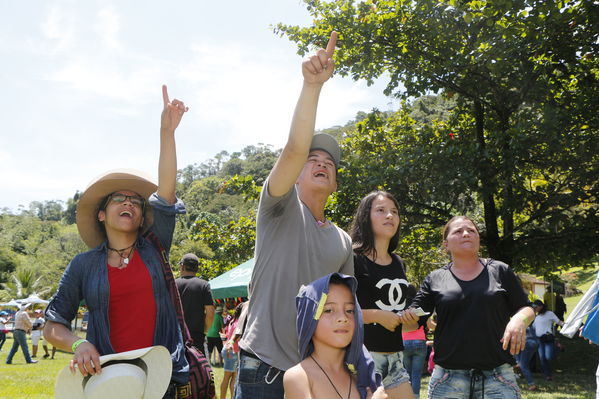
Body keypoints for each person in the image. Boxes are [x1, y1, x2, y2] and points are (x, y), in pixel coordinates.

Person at [44, 85, 191, 398]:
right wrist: (79, 344)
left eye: (136, 202)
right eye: (119, 199)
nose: (130, 204)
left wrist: (167, 132)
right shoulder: (82, 265)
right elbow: (53, 325)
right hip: (110, 383)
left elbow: (165, 192)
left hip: (163, 378)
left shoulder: (154, 247)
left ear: (141, 216)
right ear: (101, 214)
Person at [236, 31, 353, 398]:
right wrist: (312, 87)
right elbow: (293, 149)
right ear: (295, 174)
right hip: (265, 367)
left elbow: (345, 311)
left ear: (334, 183)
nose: (321, 164)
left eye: (329, 163)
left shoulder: (343, 240)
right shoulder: (279, 207)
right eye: (312, 161)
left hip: (315, 372)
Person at [406, 216, 536, 399]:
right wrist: (399, 318)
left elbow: (527, 308)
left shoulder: (500, 270)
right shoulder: (434, 278)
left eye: (471, 230)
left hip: (498, 377)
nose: (466, 234)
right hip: (448, 379)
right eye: (458, 231)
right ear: (446, 244)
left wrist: (518, 320)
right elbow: (413, 322)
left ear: (478, 239)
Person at [350, 190, 416, 399]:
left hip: (396, 358)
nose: (390, 216)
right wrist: (377, 316)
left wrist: (409, 319)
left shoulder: (399, 262)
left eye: (394, 212)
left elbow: (401, 317)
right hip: (362, 359)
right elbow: (336, 310)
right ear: (365, 217)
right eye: (381, 210)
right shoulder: (351, 258)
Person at [284, 273, 386, 399]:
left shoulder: (361, 379)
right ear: (309, 319)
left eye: (350, 310)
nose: (343, 318)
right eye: (328, 310)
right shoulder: (299, 377)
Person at [175, 253, 215, 354]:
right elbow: (210, 313)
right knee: (197, 367)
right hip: (196, 337)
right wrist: (204, 330)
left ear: (182, 266)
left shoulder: (173, 284)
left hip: (176, 336)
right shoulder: (204, 285)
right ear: (197, 268)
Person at [401, 285, 428, 399]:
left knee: (407, 373)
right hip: (419, 341)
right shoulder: (418, 308)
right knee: (416, 374)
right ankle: (415, 397)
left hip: (405, 342)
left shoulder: (401, 307)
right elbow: (427, 323)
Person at [531, 299, 564, 381]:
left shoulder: (549, 314)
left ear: (541, 306)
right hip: (539, 340)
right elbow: (533, 328)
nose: (534, 308)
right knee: (542, 359)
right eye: (533, 307)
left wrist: (569, 325)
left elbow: (559, 322)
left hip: (548, 338)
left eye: (536, 307)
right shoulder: (537, 317)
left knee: (548, 357)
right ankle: (548, 376)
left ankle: (559, 348)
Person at [221, 302, 243, 399]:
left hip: (230, 350)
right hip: (232, 351)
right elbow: (236, 338)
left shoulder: (232, 321)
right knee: (228, 378)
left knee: (233, 378)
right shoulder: (238, 322)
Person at [514, 326, 539, 391]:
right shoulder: (532, 323)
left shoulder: (518, 322)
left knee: (523, 366)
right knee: (521, 364)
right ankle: (517, 368)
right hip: (533, 343)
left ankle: (532, 384)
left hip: (525, 343)